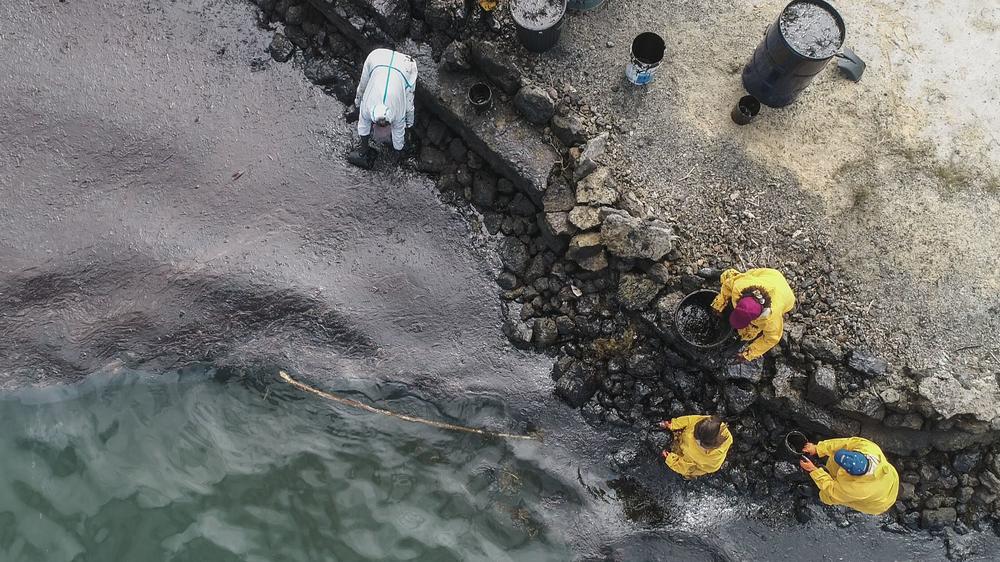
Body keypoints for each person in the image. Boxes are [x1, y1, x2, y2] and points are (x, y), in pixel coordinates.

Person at [710, 268, 795, 362]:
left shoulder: (770, 320)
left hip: (787, 297)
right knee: (728, 282)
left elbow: (771, 339)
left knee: (750, 332)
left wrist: (749, 354)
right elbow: (727, 285)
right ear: (740, 300)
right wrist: (719, 304)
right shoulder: (740, 286)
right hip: (771, 275)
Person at [799, 436, 899, 515]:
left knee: (830, 496)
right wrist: (817, 448)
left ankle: (818, 495)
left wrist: (813, 470)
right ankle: (827, 473)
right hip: (891, 478)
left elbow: (832, 490)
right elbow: (843, 443)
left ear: (850, 473)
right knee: (833, 461)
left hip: (879, 503)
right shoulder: (867, 447)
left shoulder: (859, 490)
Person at [351, 48, 418, 166]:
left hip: (406, 67)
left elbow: (399, 131)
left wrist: (398, 153)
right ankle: (356, 103)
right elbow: (363, 125)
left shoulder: (398, 112)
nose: (382, 125)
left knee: (408, 104)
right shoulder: (367, 107)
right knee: (362, 87)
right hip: (376, 59)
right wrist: (363, 149)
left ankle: (410, 123)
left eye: (384, 124)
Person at [657, 415, 732, 478]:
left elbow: (683, 467)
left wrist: (669, 458)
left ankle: (688, 477)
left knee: (689, 472)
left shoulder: (696, 456)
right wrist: (673, 424)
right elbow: (690, 419)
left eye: (697, 439)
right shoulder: (717, 427)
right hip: (708, 463)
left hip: (697, 465)